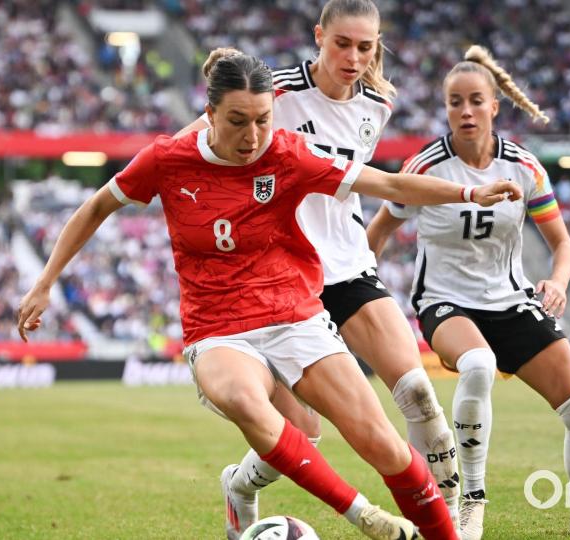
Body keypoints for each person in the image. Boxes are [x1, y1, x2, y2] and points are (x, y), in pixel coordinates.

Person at [18, 51, 521, 539]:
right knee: (242, 397)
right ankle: (362, 515)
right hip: (217, 329)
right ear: (209, 114)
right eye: (238, 120)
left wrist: (469, 192)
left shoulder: (287, 153)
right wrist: (44, 283)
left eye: (263, 119)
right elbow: (96, 207)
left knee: (382, 445)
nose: (253, 135)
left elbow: (389, 183)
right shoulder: (168, 159)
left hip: (296, 318)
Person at [176, 2, 464, 536]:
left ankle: (455, 522)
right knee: (304, 432)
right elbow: (193, 145)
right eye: (342, 44)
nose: (353, 57)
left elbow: (361, 187)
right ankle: (240, 485)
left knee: (419, 393)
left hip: (349, 267)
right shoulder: (276, 92)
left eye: (365, 46)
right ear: (318, 37)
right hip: (283, 276)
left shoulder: (377, 106)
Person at [366, 45, 570, 539]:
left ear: (495, 105)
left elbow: (563, 245)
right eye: (454, 102)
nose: (465, 111)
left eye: (475, 101)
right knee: (478, 364)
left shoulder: (525, 167)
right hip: (444, 302)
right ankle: (471, 499)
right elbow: (376, 236)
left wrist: (558, 279)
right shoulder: (424, 166)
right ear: (445, 108)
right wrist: (360, 298)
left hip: (511, 301)